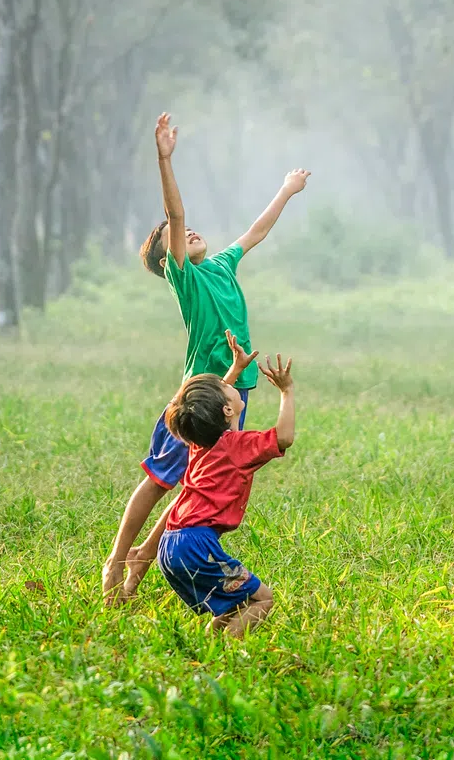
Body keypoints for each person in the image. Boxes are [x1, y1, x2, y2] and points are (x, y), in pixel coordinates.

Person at [101, 111, 309, 601]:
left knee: (197, 487)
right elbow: (175, 215)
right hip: (199, 396)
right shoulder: (186, 279)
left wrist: (286, 190)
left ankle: (137, 574)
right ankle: (117, 562)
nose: (189, 231)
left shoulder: (220, 265)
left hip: (236, 391)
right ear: (165, 258)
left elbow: (255, 231)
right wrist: (164, 159)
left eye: (191, 230)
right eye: (174, 236)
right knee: (159, 480)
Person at [155, 335, 295, 637]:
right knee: (263, 599)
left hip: (170, 546)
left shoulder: (200, 440)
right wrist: (287, 391)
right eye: (227, 386)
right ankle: (226, 655)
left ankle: (209, 644)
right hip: (196, 547)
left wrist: (234, 369)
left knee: (233, 604)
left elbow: (212, 409)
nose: (229, 383)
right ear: (227, 410)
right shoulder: (238, 446)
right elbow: (283, 437)